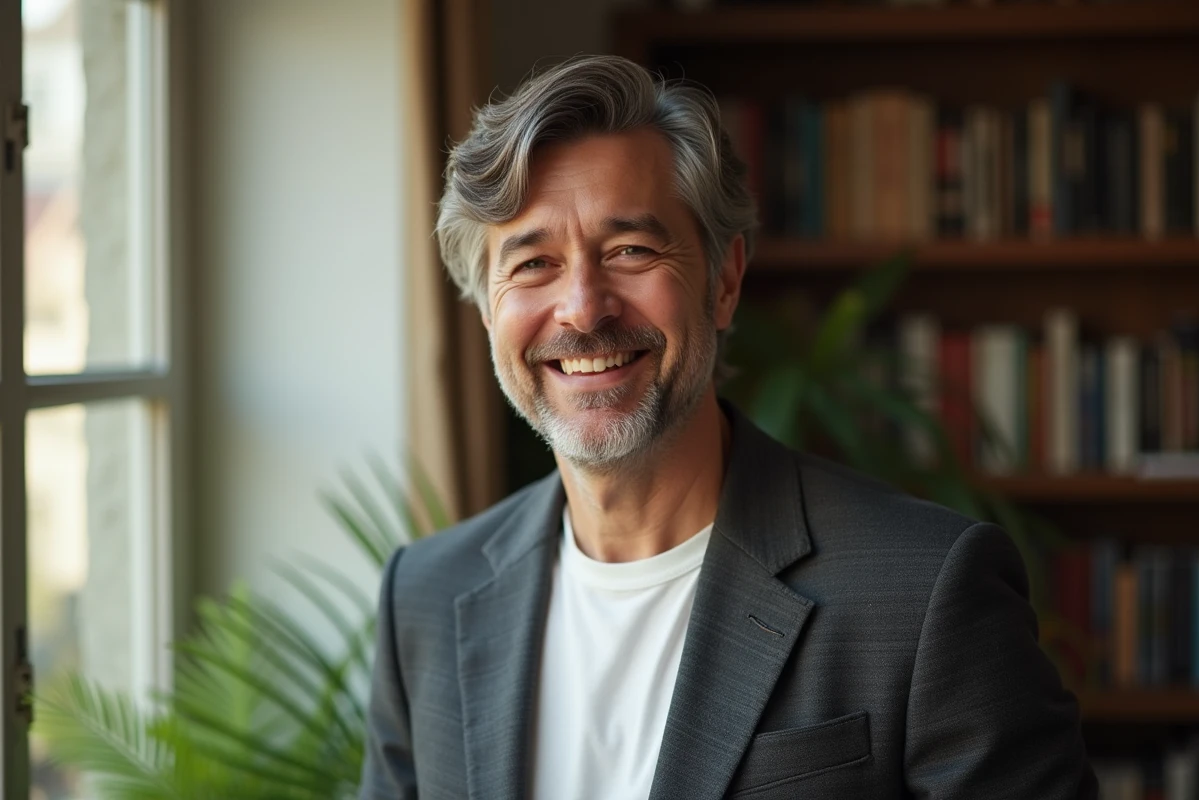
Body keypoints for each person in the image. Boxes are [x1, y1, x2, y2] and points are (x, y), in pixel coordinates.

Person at [358, 55, 1097, 800]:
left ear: (724, 280)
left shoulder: (928, 591)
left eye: (631, 251)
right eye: (533, 263)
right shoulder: (424, 597)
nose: (583, 308)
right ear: (487, 310)